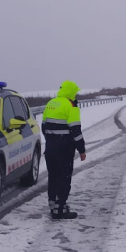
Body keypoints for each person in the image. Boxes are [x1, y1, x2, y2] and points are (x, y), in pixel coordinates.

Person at [41, 81, 86, 219]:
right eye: (75, 92)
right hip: (65, 149)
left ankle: (53, 206)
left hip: (50, 148)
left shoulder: (51, 103)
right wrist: (81, 149)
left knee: (53, 176)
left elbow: (43, 126)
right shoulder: (71, 106)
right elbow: (75, 130)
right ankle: (60, 209)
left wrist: (52, 140)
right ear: (71, 92)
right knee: (64, 178)